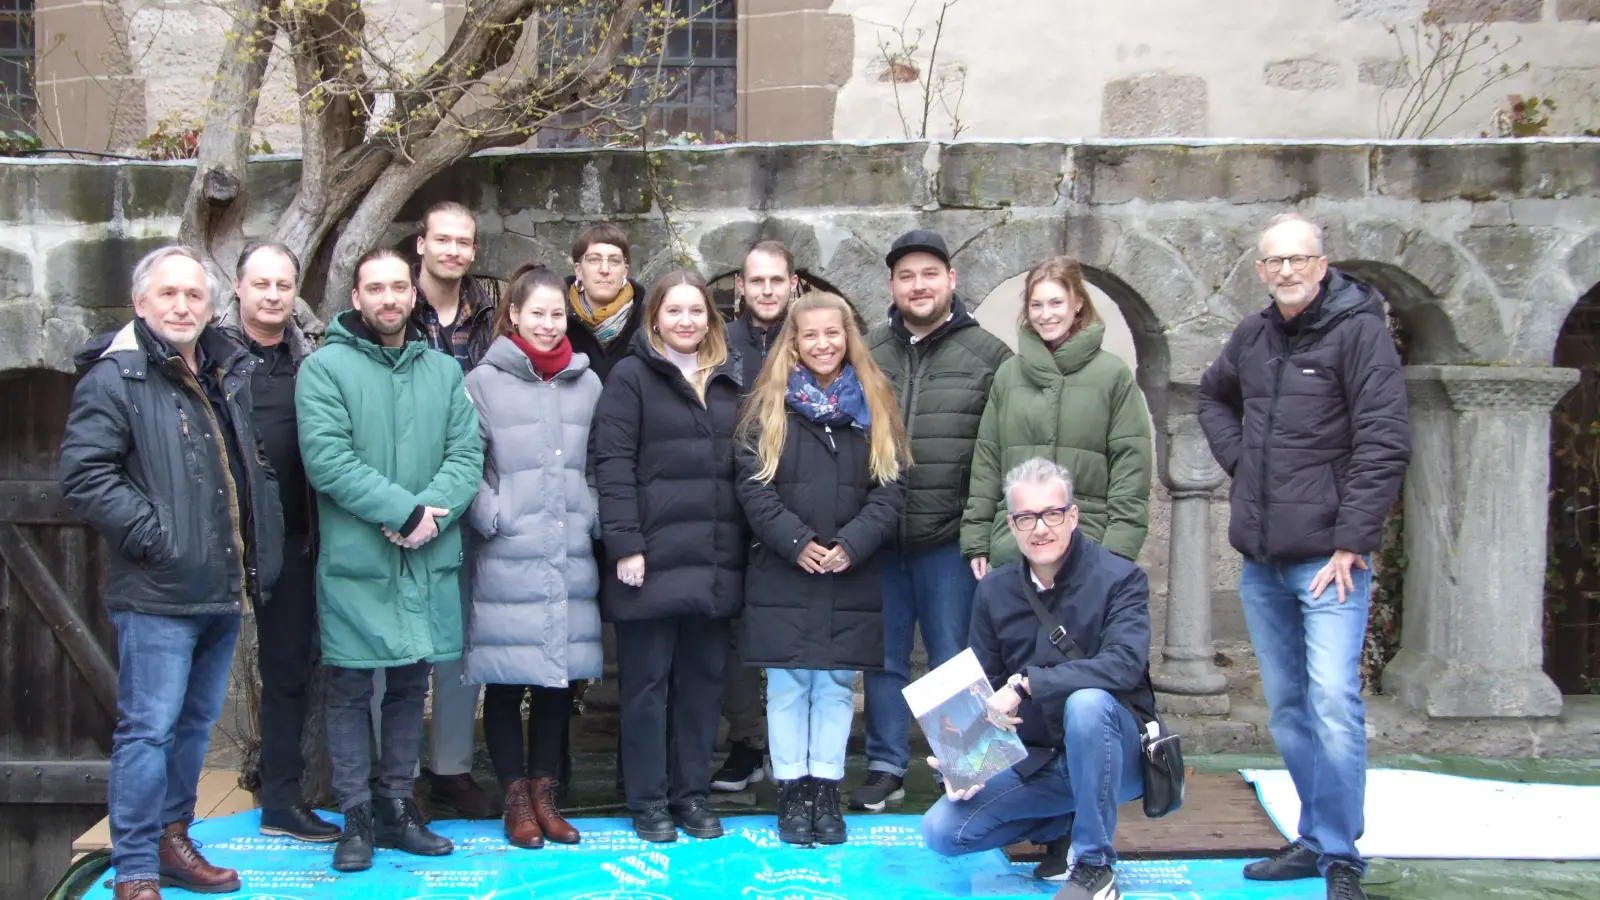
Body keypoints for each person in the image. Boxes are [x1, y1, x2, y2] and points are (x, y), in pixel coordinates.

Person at [60, 245, 284, 900]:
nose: (182, 306)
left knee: (192, 728)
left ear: (210, 306)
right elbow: (85, 476)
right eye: (168, 294)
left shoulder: (221, 372)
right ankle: (135, 865)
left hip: (220, 587)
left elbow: (242, 469)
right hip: (158, 591)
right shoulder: (116, 378)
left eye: (193, 295)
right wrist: (159, 539)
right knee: (148, 729)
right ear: (140, 303)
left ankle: (172, 839)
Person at [1198, 213, 1410, 900]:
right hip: (1263, 560)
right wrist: (1242, 463)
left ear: (1322, 265)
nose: (1286, 270)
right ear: (1261, 271)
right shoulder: (1253, 336)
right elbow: (1212, 397)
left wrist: (1353, 538)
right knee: (1288, 707)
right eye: (1274, 261)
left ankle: (1341, 852)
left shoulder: (1360, 334)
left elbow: (1384, 439)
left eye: (1299, 259)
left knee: (1334, 703)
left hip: (1329, 560)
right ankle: (1315, 837)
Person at [295, 248, 483, 872]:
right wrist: (403, 512)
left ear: (413, 295)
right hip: (360, 556)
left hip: (426, 552)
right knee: (350, 686)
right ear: (356, 298)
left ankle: (398, 807)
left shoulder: (444, 372)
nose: (389, 298)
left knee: (409, 685)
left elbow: (466, 456)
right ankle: (355, 815)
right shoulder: (324, 369)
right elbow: (328, 460)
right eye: (375, 288)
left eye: (398, 287)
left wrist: (431, 515)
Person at [921, 458, 1154, 900]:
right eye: (1027, 517)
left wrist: (1026, 683)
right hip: (1041, 762)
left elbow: (1124, 665)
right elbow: (982, 688)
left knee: (1087, 704)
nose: (1040, 528)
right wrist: (959, 765)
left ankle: (1095, 867)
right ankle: (1061, 823)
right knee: (942, 832)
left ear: (1073, 516)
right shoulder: (994, 590)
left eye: (1052, 514)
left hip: (1116, 753)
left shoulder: (1121, 579)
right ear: (1012, 525)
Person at [734, 291, 909, 845]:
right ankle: (792, 789)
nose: (822, 343)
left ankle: (826, 789)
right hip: (784, 570)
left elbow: (892, 486)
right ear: (793, 341)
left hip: (849, 571)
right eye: (810, 334)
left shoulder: (875, 401)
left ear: (848, 337)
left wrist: (853, 543)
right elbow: (752, 485)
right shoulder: (768, 404)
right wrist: (796, 540)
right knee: (788, 684)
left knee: (834, 685)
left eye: (832, 332)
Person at [855, 229, 1012, 810]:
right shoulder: (868, 352)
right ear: (892, 286)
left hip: (950, 536)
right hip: (881, 535)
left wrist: (983, 530)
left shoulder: (991, 356)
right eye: (906, 277)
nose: (918, 286)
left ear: (952, 279)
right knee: (884, 658)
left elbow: (998, 451)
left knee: (955, 657)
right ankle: (885, 766)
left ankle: (969, 770)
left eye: (929, 274)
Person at [592, 269, 747, 842]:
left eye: (696, 311)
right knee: (646, 687)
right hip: (650, 560)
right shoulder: (631, 377)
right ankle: (649, 801)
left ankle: (691, 796)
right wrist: (625, 544)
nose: (686, 320)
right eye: (674, 310)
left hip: (713, 560)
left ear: (710, 319)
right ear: (654, 318)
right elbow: (611, 465)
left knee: (703, 686)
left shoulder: (729, 378)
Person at [463, 263, 603, 849]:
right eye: (536, 313)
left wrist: (590, 512)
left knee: (556, 680)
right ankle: (515, 799)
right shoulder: (482, 382)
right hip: (507, 551)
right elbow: (465, 461)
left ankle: (546, 796)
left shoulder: (587, 384)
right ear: (514, 315)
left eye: (557, 314)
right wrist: (492, 513)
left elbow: (598, 462)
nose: (548, 324)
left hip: (569, 549)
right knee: (504, 678)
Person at [216, 241, 339, 843]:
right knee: (189, 683)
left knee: (290, 671)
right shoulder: (208, 359)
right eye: (260, 284)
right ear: (238, 287)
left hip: (296, 539)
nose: (272, 295)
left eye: (283, 285)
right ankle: (165, 821)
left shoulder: (312, 360)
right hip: (225, 540)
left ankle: (283, 802)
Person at [963, 254, 1154, 575]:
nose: (1046, 314)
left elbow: (1130, 469)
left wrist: (1118, 550)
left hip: (1089, 544)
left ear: (1077, 303)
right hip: (1015, 545)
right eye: (1036, 305)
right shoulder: (1008, 376)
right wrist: (977, 539)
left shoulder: (1112, 376)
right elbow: (987, 462)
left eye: (1056, 303)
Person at [403, 200, 501, 821]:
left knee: (461, 641)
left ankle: (451, 769)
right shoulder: (394, 303)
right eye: (443, 239)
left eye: (464, 242)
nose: (453, 251)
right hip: (406, 496)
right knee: (398, 641)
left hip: (473, 487)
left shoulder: (489, 313)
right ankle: (398, 774)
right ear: (422, 244)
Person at [711, 239, 801, 793]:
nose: (767, 291)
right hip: (728, 505)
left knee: (793, 626)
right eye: (757, 281)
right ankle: (747, 741)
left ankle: (795, 749)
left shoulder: (812, 337)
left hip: (799, 505)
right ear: (740, 287)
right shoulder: (719, 343)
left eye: (777, 280)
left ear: (794, 284)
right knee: (733, 633)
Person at [566, 222, 648, 382]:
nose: (604, 270)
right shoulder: (557, 321)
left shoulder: (648, 322)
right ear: (579, 270)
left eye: (614, 261)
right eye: (594, 260)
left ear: (625, 271)